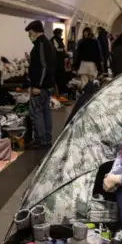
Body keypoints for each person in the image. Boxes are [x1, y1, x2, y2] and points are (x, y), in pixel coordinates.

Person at [25, 20, 56, 149]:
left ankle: (41, 139)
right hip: (47, 84)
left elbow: (43, 66)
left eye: (30, 33)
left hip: (41, 86)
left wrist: (37, 85)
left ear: (36, 32)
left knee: (35, 112)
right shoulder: (47, 43)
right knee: (45, 112)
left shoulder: (41, 44)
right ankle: (47, 139)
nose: (29, 36)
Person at [51, 28, 69, 94]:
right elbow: (57, 50)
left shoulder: (59, 40)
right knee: (58, 77)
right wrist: (64, 53)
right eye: (60, 33)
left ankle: (61, 91)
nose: (61, 34)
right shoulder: (54, 40)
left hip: (60, 62)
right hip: (56, 62)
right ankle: (58, 92)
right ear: (57, 33)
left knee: (61, 77)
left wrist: (65, 54)